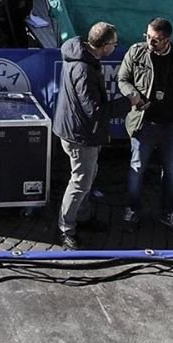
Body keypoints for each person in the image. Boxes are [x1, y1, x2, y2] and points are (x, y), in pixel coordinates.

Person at [116, 16, 173, 231]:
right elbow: (122, 78)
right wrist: (133, 94)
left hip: (172, 125)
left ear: (167, 40)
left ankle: (168, 211)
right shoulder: (137, 52)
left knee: (170, 170)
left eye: (155, 39)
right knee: (137, 167)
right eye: (148, 37)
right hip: (143, 123)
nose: (150, 42)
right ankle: (132, 210)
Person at [52, 19, 127, 249]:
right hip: (80, 133)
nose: (115, 47)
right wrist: (128, 103)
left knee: (87, 176)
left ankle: (81, 217)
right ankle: (67, 227)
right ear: (104, 45)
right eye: (114, 43)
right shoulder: (84, 69)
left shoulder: (80, 55)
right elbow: (95, 110)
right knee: (81, 181)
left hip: (77, 129)